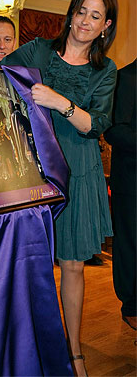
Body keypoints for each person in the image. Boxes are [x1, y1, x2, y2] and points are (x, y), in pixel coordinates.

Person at [0, 0, 118, 376]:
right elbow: (0, 77)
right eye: (81, 11)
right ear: (71, 13)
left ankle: (73, 352)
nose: (85, 21)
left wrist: (59, 102)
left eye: (95, 16)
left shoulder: (106, 70)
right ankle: (24, 343)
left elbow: (95, 124)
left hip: (78, 174)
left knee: (71, 265)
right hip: (32, 170)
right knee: (25, 262)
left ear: (106, 26)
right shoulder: (38, 51)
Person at [104, 59, 136, 331]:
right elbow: (114, 130)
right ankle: (131, 305)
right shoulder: (126, 77)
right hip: (132, 179)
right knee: (130, 244)